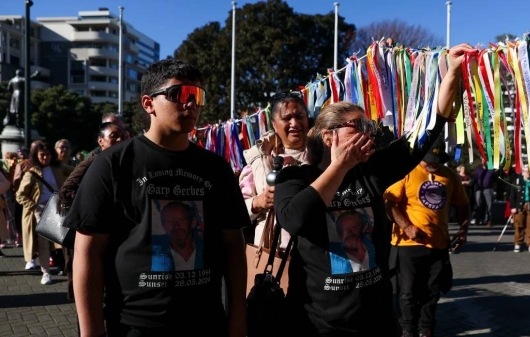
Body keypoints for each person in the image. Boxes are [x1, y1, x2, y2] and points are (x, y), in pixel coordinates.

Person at [274, 43, 472, 336]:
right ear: (329, 138)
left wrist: (453, 70)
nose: (368, 132)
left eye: (369, 125)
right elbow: (294, 219)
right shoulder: (295, 177)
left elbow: (428, 129)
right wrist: (339, 167)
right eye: (358, 125)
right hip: (319, 325)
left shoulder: (373, 170)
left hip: (377, 321)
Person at [65, 59, 249, 337]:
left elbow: (234, 247)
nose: (191, 104)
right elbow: (87, 251)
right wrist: (91, 332)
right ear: (148, 103)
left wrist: (237, 321)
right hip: (135, 326)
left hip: (207, 323)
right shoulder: (113, 164)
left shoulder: (216, 168)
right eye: (179, 94)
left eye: (197, 96)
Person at [384, 136, 470, 337]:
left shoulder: (449, 176)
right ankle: (408, 329)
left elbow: (463, 204)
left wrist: (463, 231)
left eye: (437, 160)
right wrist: (406, 226)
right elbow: (389, 203)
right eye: (429, 159)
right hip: (408, 244)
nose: (432, 164)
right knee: (407, 293)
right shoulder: (406, 172)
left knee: (432, 292)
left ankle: (426, 330)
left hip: (439, 245)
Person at [58, 122, 125, 300]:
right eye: (114, 136)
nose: (120, 139)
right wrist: (90, 203)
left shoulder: (120, 159)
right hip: (88, 231)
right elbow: (66, 189)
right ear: (100, 141)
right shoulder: (95, 160)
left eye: (123, 136)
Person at [239, 91, 309, 247]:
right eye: (287, 118)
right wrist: (258, 202)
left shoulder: (323, 155)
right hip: (272, 256)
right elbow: (234, 211)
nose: (295, 123)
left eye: (299, 117)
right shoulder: (259, 158)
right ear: (274, 124)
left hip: (315, 256)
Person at [15, 142, 73, 284]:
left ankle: (67, 268)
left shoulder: (58, 168)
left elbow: (76, 171)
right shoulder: (32, 173)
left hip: (58, 207)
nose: (45, 157)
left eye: (47, 154)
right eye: (42, 155)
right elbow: (20, 195)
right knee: (43, 244)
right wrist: (35, 207)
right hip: (41, 210)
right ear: (36, 156)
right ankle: (46, 273)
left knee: (64, 240)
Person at [151, 201, 205, 271]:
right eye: (169, 222)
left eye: (181, 220)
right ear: (164, 227)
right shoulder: (154, 250)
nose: (176, 226)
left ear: (193, 223)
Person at [509, 168, 530, 253]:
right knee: (518, 225)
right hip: (519, 206)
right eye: (526, 171)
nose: (528, 173)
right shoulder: (517, 182)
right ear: (523, 173)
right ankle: (518, 243)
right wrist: (512, 207)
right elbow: (512, 195)